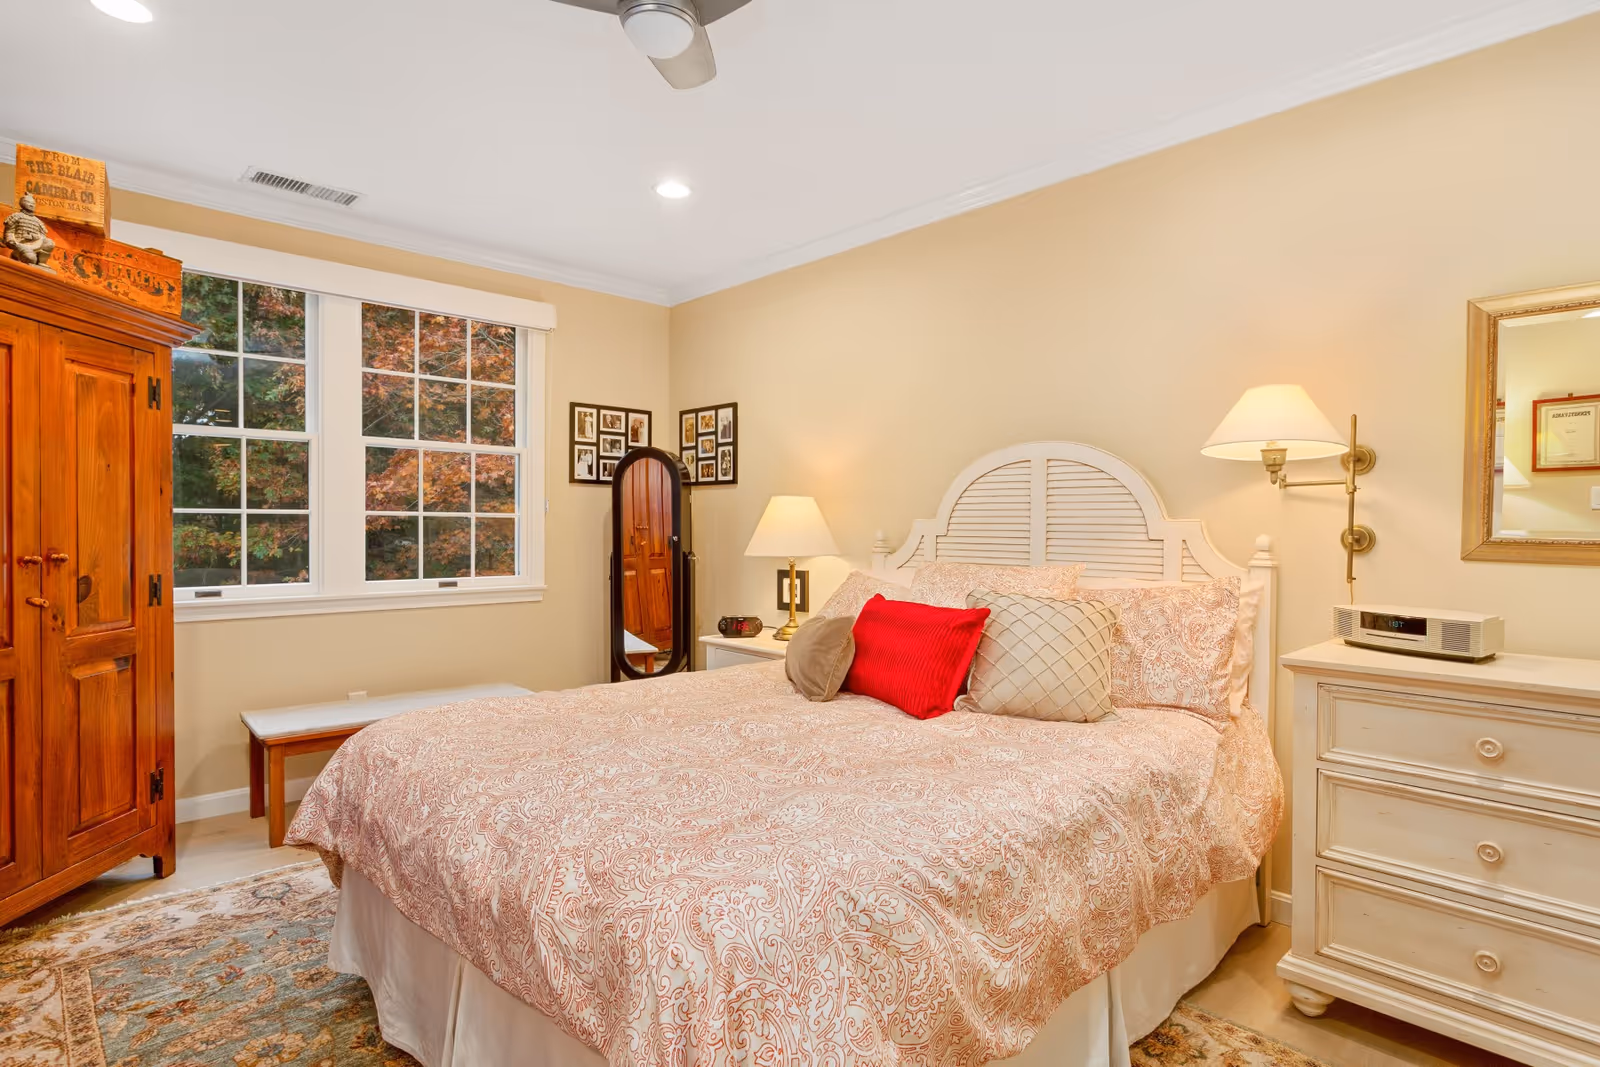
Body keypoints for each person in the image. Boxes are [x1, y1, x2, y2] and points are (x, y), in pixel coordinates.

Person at [3, 194, 56, 270]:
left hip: (35, 244)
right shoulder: (16, 216)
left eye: (33, 204)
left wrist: (35, 237)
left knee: (49, 243)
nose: (31, 205)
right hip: (20, 244)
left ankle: (41, 262)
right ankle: (16, 254)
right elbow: (9, 232)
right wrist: (11, 241)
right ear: (22, 203)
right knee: (31, 259)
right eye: (28, 202)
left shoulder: (38, 221)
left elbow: (43, 236)